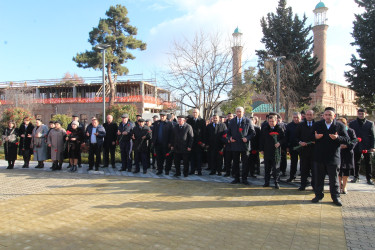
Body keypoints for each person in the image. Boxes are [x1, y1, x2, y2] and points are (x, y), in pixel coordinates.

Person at [310, 107, 349, 206]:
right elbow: (309, 137)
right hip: (319, 156)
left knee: (334, 179)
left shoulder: (339, 126)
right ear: (323, 115)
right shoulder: (317, 125)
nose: (327, 117)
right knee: (319, 178)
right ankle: (318, 195)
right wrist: (315, 137)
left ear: (334, 116)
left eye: (330, 115)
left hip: (333, 157)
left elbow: (347, 139)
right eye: (326, 115)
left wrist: (337, 138)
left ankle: (335, 197)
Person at [227, 107, 256, 185]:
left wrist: (247, 138)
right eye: (237, 111)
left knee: (245, 163)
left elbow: (253, 133)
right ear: (235, 112)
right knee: (235, 163)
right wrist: (230, 138)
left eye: (240, 111)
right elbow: (228, 133)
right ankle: (236, 178)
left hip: (244, 146)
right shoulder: (232, 121)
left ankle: (244, 178)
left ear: (243, 112)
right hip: (235, 145)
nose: (239, 113)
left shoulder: (248, 121)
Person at [349, 108, 375, 185]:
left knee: (368, 163)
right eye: (359, 114)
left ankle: (369, 178)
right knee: (356, 162)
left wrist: (372, 147)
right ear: (357, 114)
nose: (361, 115)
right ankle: (356, 177)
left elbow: (373, 136)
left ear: (365, 114)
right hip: (356, 145)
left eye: (362, 114)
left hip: (367, 146)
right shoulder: (352, 123)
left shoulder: (370, 123)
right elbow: (350, 135)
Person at [260, 113, 285, 189]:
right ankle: (266, 182)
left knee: (276, 168)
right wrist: (261, 149)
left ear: (276, 121)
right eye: (270, 121)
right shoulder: (265, 129)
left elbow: (284, 138)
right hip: (267, 151)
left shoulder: (279, 129)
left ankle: (276, 182)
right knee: (267, 168)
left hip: (276, 151)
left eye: (272, 121)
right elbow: (261, 140)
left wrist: (279, 143)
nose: (271, 123)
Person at [295, 110, 315, 191]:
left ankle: (314, 185)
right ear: (305, 116)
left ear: (313, 115)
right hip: (304, 151)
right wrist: (300, 142)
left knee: (314, 169)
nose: (309, 116)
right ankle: (303, 184)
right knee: (304, 169)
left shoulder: (317, 125)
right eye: (307, 115)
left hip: (314, 151)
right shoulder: (301, 125)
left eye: (310, 114)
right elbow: (296, 137)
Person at [337, 118, 357, 194]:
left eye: (342, 123)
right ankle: (339, 185)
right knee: (338, 170)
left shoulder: (350, 131)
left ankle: (344, 186)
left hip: (348, 153)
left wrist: (347, 146)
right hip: (338, 153)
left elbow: (354, 141)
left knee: (346, 171)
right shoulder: (336, 131)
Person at [187, 108, 206, 175]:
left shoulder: (202, 121)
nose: (194, 114)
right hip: (191, 142)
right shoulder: (189, 120)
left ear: (198, 113)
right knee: (192, 157)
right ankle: (192, 170)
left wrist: (203, 142)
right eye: (193, 112)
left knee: (199, 157)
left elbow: (204, 132)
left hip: (199, 142)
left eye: (196, 112)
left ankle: (199, 170)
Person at [285, 112, 301, 182]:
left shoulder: (303, 125)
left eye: (297, 117)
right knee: (293, 162)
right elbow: (286, 137)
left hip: (302, 146)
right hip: (292, 146)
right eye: (294, 117)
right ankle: (292, 176)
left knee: (303, 163)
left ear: (300, 118)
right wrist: (287, 146)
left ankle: (304, 177)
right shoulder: (289, 125)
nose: (296, 119)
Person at [223, 112, 234, 176]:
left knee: (235, 161)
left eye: (231, 116)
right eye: (228, 116)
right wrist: (227, 140)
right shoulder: (224, 125)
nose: (229, 117)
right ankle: (227, 172)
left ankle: (234, 172)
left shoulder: (236, 125)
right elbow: (222, 136)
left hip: (235, 145)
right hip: (227, 146)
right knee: (227, 160)